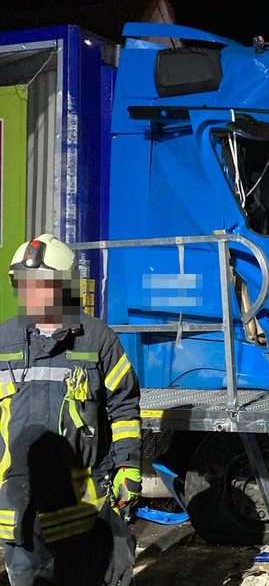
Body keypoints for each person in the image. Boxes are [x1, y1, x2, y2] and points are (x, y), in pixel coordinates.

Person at [0, 234, 141, 585]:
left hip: (85, 507)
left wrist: (128, 465)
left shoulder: (96, 339)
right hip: (22, 508)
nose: (32, 293)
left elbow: (124, 406)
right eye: (25, 283)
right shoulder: (3, 341)